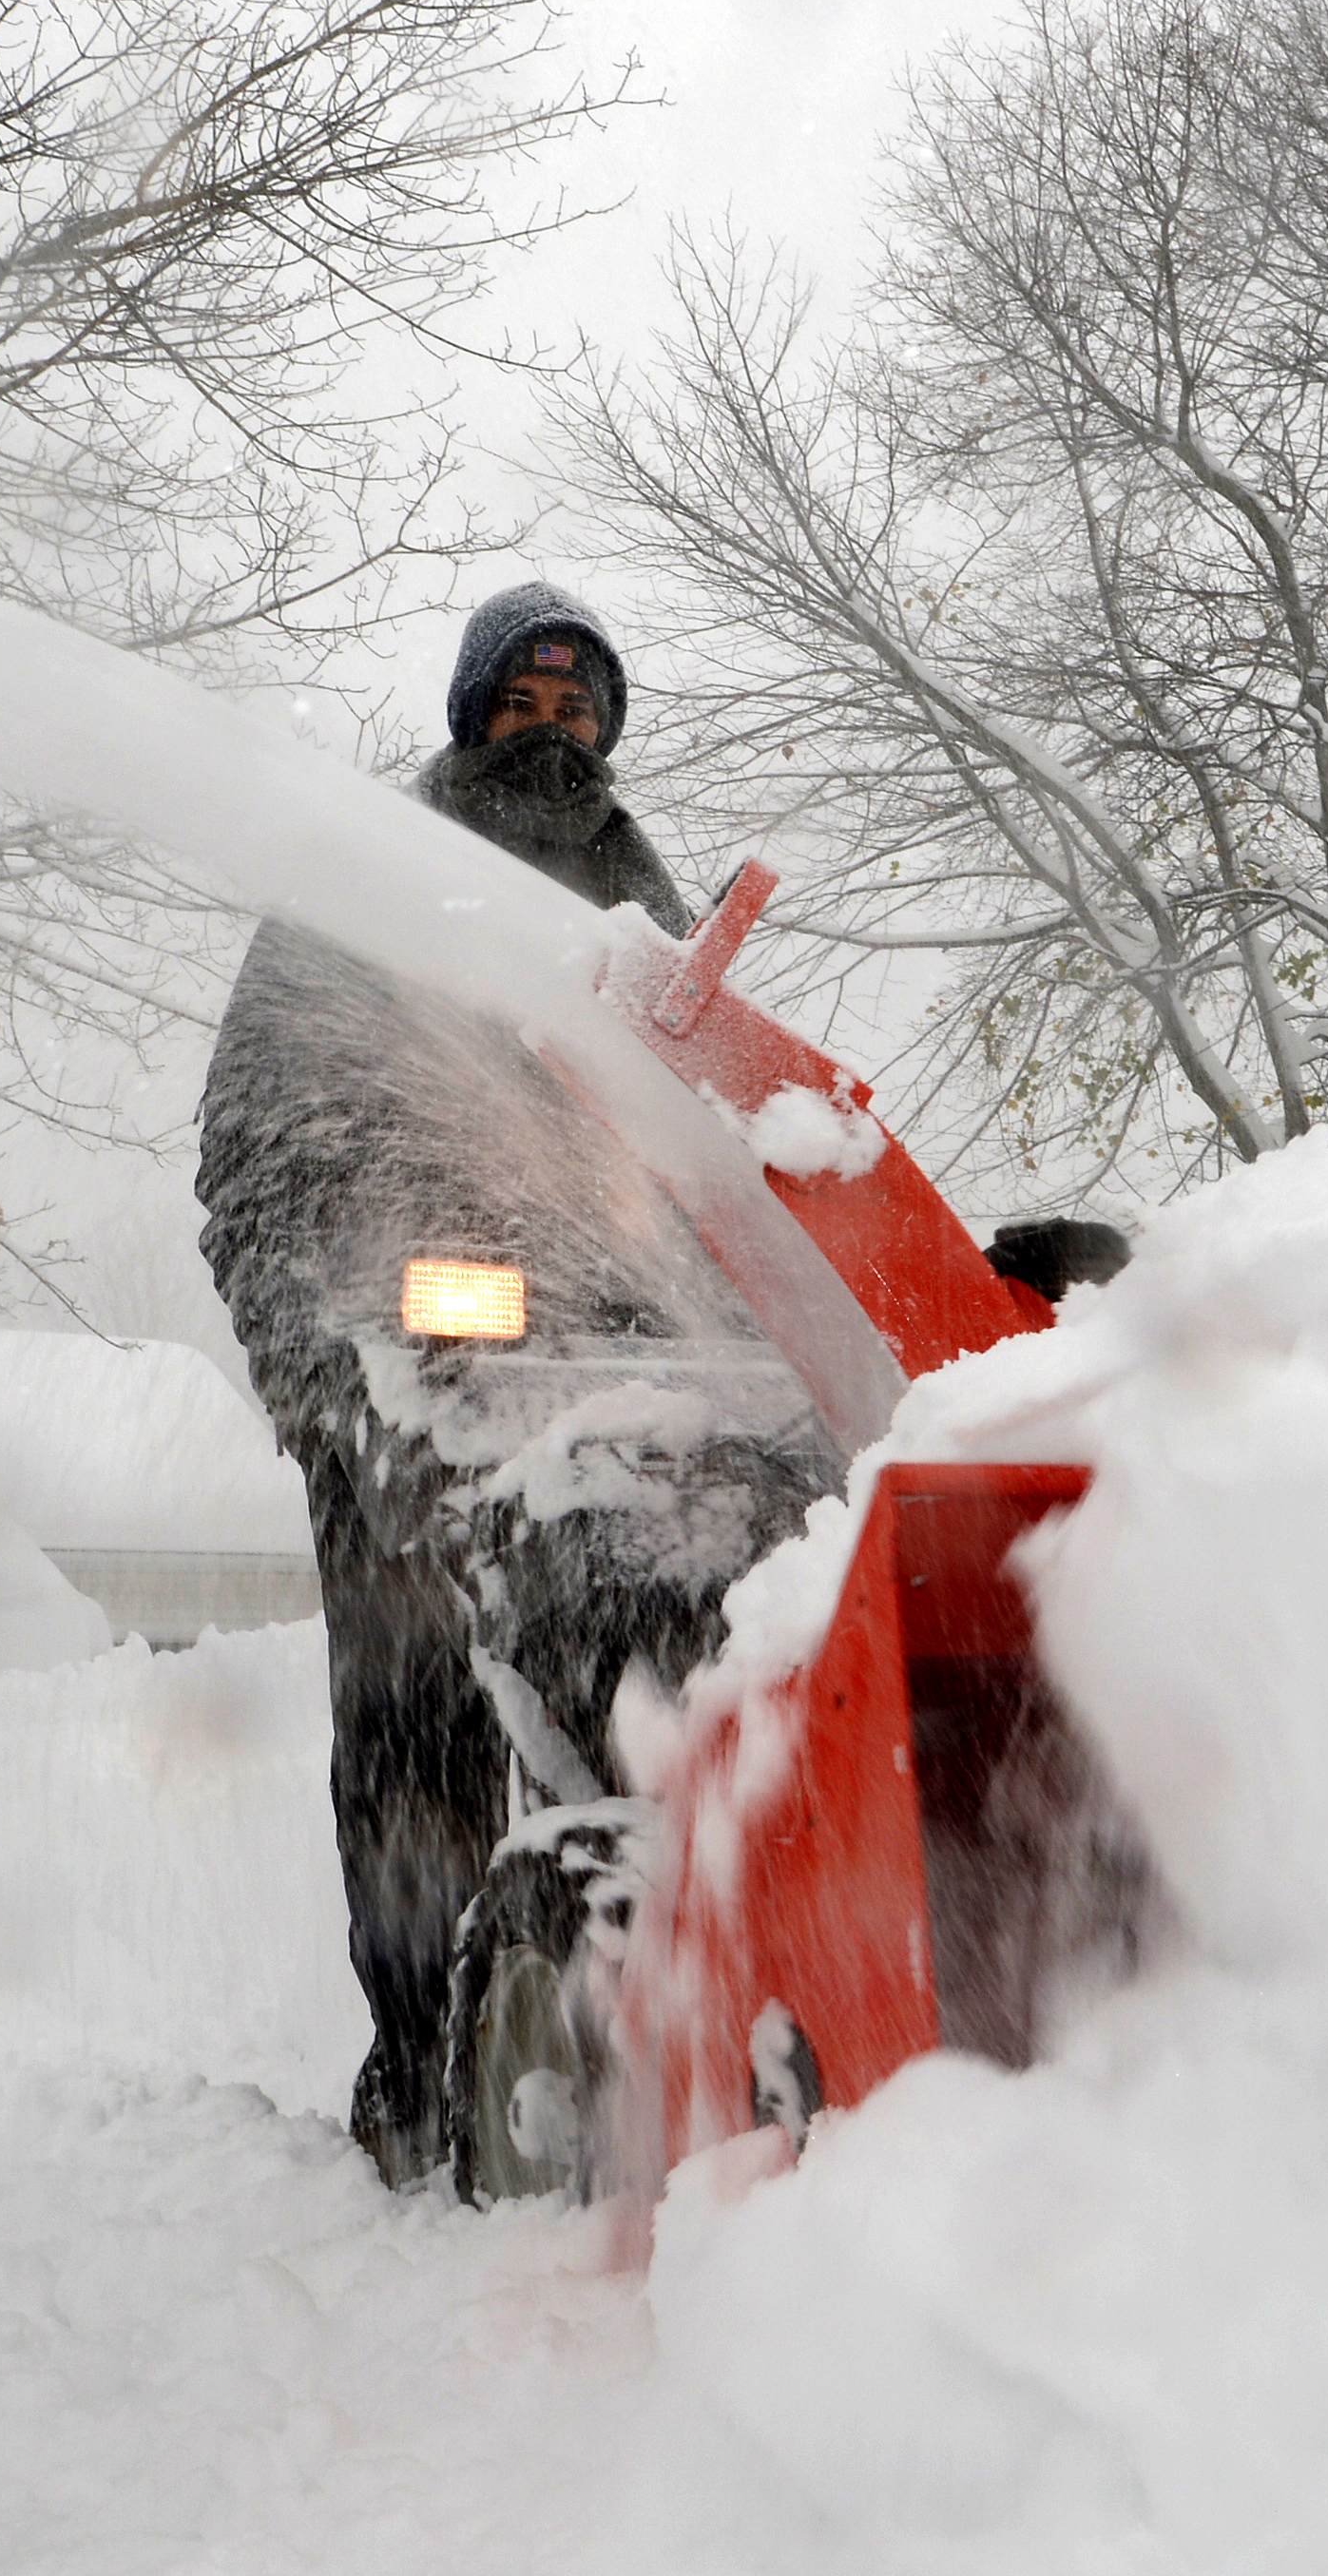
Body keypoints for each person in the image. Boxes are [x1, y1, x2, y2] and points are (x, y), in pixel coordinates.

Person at [192, 582, 823, 2185]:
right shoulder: (369, 887)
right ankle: (422, 2076)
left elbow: (711, 1150)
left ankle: (699, 1988)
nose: (557, 727)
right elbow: (253, 1157)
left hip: (624, 1384)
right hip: (412, 1387)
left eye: (582, 703)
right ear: (473, 713)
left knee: (687, 1668)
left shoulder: (639, 909)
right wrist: (329, 1379)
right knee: (420, 1734)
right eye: (526, 699)